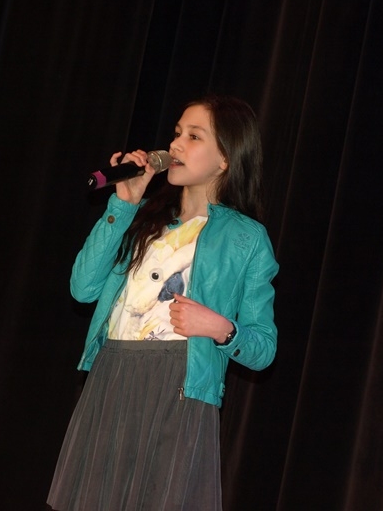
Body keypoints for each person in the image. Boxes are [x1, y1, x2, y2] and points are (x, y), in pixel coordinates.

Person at [47, 94, 279, 511]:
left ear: (225, 159)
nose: (175, 145)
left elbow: (263, 349)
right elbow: (82, 288)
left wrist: (219, 328)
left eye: (194, 136)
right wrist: (123, 203)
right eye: (176, 133)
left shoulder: (246, 238)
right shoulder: (142, 220)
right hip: (113, 374)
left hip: (179, 387)